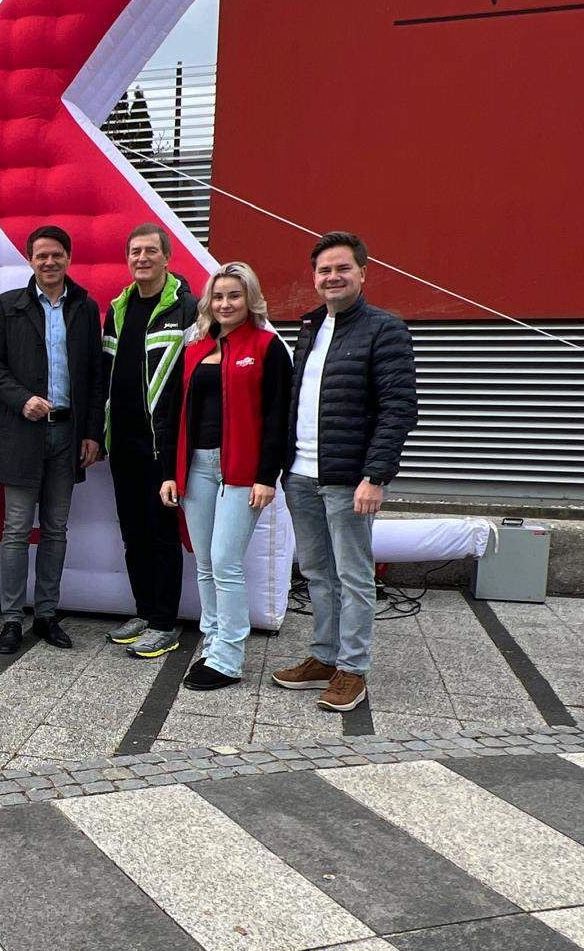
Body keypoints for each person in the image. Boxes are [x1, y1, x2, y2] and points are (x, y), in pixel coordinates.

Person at [271, 231, 418, 711]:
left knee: (354, 576)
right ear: (314, 278)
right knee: (317, 572)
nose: (332, 277)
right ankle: (324, 656)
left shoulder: (384, 329)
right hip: (301, 474)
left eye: (342, 268)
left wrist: (375, 476)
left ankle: (352, 669)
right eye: (324, 270)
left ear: (363, 273)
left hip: (349, 479)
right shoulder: (310, 327)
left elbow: (399, 409)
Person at [159, 263, 291, 689]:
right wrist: (170, 473)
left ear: (250, 298)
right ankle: (213, 642)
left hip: (242, 472)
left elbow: (278, 416)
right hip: (196, 467)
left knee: (225, 562)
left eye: (234, 295)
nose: (225, 304)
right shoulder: (194, 346)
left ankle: (229, 659)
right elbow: (174, 412)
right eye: (218, 296)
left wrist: (267, 475)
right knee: (205, 563)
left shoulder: (268, 346)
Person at [0, 225, 105, 654]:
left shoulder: (85, 307)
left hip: (68, 435)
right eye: (41, 256)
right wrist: (22, 399)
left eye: (56, 255)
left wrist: (92, 433)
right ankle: (12, 618)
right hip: (21, 433)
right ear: (30, 260)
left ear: (68, 257)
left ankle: (47, 614)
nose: (49, 262)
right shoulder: (8, 305)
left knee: (55, 529)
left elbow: (94, 376)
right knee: (16, 530)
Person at [102, 223, 197, 659]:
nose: (142, 258)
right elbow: (106, 374)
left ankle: (164, 623)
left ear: (167, 257)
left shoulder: (187, 307)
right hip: (122, 442)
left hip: (162, 444)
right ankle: (144, 611)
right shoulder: (117, 308)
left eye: (150, 251)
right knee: (133, 533)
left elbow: (193, 378)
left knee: (161, 534)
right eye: (135, 251)